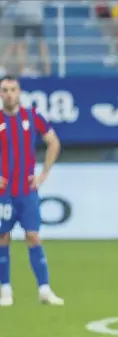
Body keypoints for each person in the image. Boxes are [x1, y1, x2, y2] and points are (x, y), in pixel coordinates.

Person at [0, 76, 63, 307]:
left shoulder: (32, 116)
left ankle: (44, 289)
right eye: (4, 90)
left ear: (19, 92)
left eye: (12, 90)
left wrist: (44, 174)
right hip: (3, 193)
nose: (9, 94)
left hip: (26, 192)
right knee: (2, 238)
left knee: (33, 236)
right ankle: (5, 290)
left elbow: (53, 142)